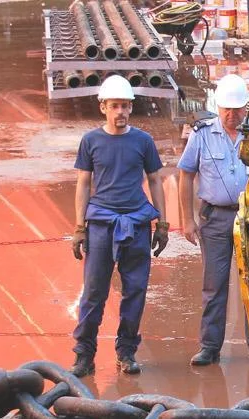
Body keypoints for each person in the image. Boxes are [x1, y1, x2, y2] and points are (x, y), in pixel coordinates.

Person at [178, 74, 249, 367]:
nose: (232, 115)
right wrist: (187, 219)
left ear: (246, 108)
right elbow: (186, 175)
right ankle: (210, 347)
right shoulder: (202, 134)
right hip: (214, 218)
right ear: (218, 106)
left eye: (237, 109)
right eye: (227, 108)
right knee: (214, 285)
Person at [69, 74, 168, 378]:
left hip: (136, 224)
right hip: (101, 225)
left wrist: (162, 224)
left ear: (131, 107)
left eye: (125, 106)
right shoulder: (91, 141)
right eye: (115, 106)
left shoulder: (143, 141)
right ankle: (84, 355)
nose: (121, 112)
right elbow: (83, 183)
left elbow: (155, 180)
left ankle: (126, 352)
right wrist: (79, 227)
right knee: (94, 291)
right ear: (103, 107)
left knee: (135, 291)